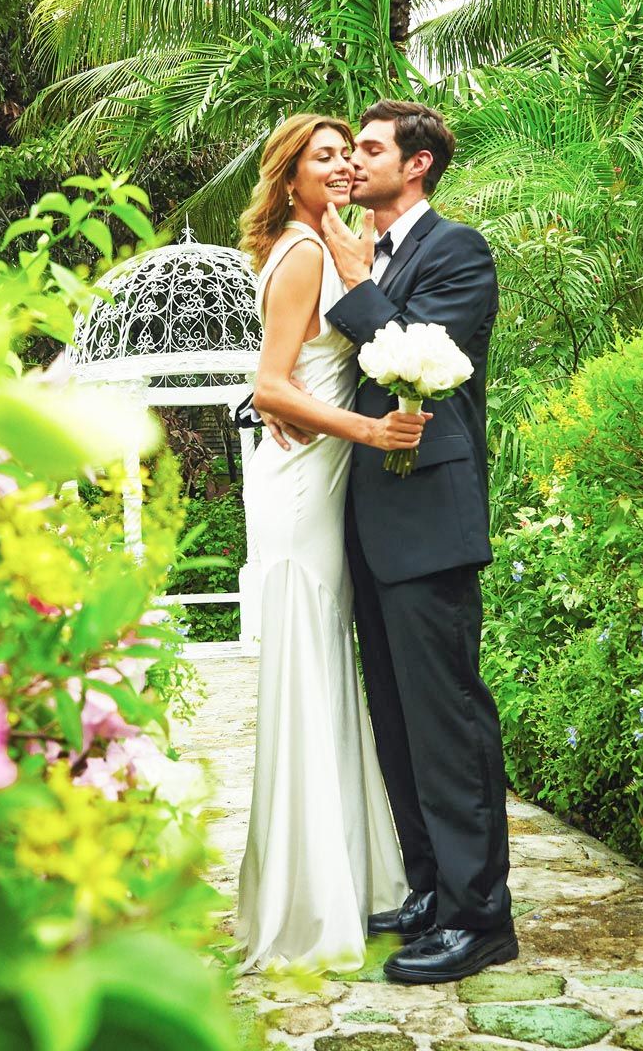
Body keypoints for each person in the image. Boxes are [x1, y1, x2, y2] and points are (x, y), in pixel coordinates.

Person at [254, 100, 514, 985]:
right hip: (360, 516)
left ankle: (481, 919)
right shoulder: (343, 251)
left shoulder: (458, 252)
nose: (352, 164)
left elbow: (419, 354)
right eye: (345, 151)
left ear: (419, 165)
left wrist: (358, 281)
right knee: (397, 721)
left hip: (431, 520)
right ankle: (432, 889)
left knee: (447, 720)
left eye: (368, 150)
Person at [231, 113, 422, 974]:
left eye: (351, 153)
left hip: (316, 472)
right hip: (307, 481)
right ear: (292, 173)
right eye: (326, 156)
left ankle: (339, 880)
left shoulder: (313, 243)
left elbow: (276, 380)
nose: (343, 165)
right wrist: (369, 431)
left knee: (320, 668)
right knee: (311, 666)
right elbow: (273, 383)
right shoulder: (304, 251)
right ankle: (311, 902)